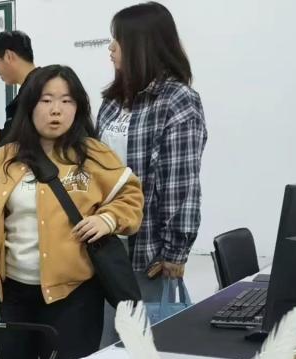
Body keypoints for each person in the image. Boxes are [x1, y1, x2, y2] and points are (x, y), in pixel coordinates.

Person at [0, 65, 143, 359]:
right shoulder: (4, 160)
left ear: (77, 107)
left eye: (66, 101)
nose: (56, 110)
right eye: (46, 100)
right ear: (30, 105)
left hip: (75, 299)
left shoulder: (93, 155)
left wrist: (107, 219)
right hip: (14, 298)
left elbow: (131, 196)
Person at [97, 2, 207, 317]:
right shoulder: (113, 101)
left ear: (142, 45)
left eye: (118, 39)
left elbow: (180, 184)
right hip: (103, 244)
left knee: (143, 338)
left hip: (147, 250)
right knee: (105, 340)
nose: (111, 47)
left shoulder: (177, 100)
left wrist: (175, 250)